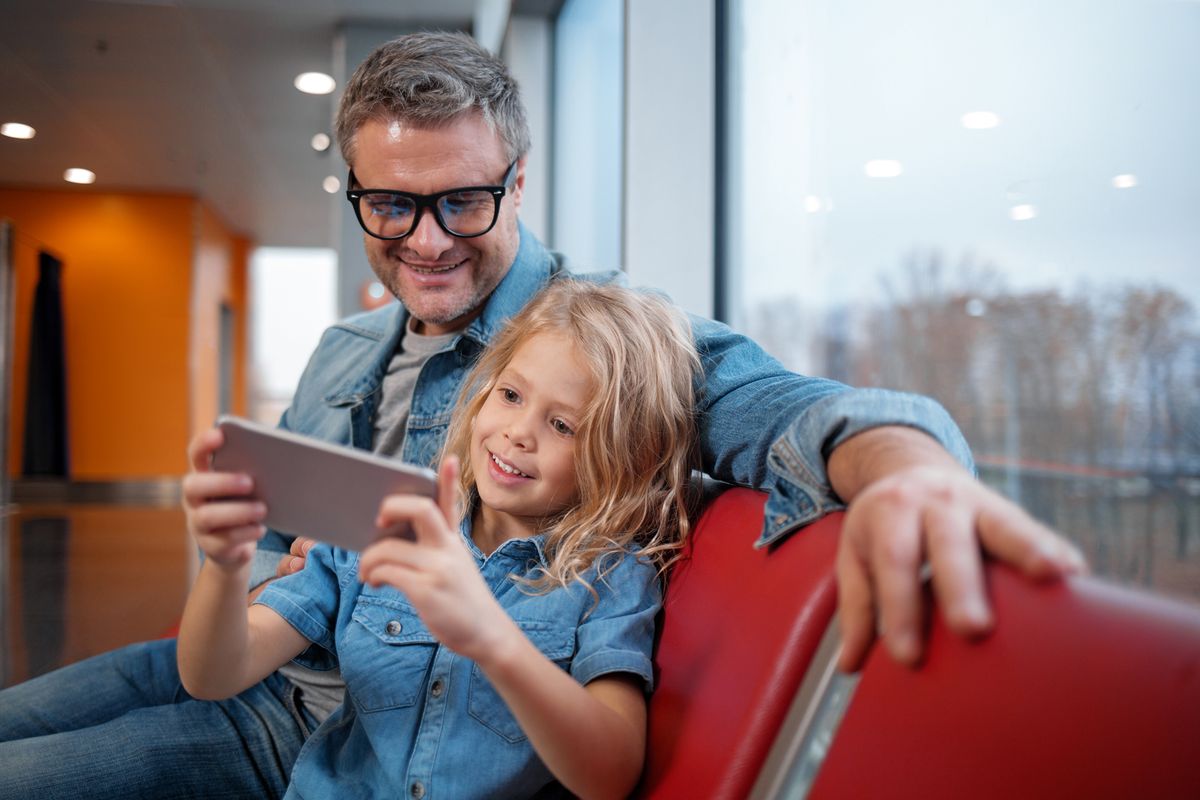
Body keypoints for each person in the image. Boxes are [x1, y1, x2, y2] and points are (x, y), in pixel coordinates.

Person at [0, 30, 1084, 799]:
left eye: (463, 200)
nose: (425, 240)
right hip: (249, 649)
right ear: (357, 195)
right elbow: (267, 578)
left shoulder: (603, 345)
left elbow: (791, 408)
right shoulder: (344, 348)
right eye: (391, 204)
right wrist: (248, 556)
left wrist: (908, 468)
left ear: (519, 183)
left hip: (337, 727)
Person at [179, 279, 698, 799]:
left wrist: (491, 638)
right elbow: (215, 674)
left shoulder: (610, 577)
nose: (519, 431)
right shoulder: (384, 518)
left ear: (619, 458)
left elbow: (609, 777)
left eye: (563, 425)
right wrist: (224, 567)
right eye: (511, 394)